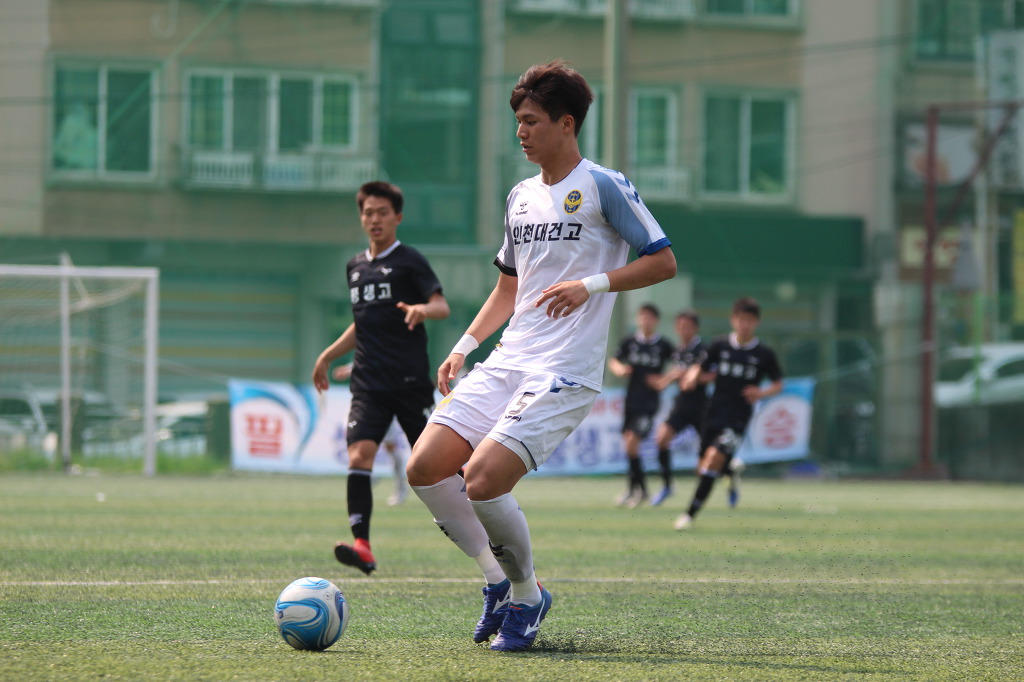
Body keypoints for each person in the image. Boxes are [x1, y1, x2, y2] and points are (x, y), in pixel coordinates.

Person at [405, 60, 676, 652]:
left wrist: (592, 285)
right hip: (509, 359)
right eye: (518, 121)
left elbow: (663, 261)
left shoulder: (604, 185)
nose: (521, 132)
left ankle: (529, 598)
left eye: (531, 121)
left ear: (566, 123)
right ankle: (497, 581)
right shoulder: (520, 196)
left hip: (564, 371)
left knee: (482, 479)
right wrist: (464, 346)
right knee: (424, 467)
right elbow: (509, 287)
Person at [312, 180, 450, 574]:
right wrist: (327, 355)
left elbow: (441, 306)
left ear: (397, 217)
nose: (375, 219)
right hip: (368, 384)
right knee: (359, 455)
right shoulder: (355, 267)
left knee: (436, 468)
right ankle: (363, 545)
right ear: (361, 217)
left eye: (382, 213)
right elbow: (363, 324)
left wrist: (423, 310)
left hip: (408, 383)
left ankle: (484, 525)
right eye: (368, 212)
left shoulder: (410, 261)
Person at [674, 297, 783, 531]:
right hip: (713, 412)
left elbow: (778, 384)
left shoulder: (763, 353)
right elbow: (701, 366)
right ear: (733, 320)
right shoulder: (720, 345)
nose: (744, 325)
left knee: (713, 459)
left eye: (749, 320)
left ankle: (689, 514)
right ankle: (730, 472)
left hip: (738, 417)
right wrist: (692, 376)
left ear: (756, 322)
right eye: (741, 319)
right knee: (702, 466)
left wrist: (760, 392)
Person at [608, 304, 674, 508]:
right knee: (629, 445)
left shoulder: (663, 345)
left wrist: (664, 380)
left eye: (650, 317)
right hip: (631, 400)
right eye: (642, 316)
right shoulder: (630, 342)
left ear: (656, 321)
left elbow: (679, 365)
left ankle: (642, 491)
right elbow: (614, 360)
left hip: (649, 403)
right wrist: (619, 369)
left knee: (632, 442)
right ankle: (633, 489)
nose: (646, 320)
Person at [649, 309, 707, 507]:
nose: (684, 330)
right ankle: (667, 485)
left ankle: (730, 476)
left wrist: (693, 377)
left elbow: (714, 375)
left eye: (688, 327)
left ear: (695, 328)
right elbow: (675, 373)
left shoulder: (703, 350)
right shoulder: (678, 351)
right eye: (681, 327)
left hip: (701, 406)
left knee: (709, 457)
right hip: (681, 405)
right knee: (661, 439)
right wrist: (664, 381)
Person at [332, 363, 411, 506]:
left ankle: (401, 487)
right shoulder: (369, 355)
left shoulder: (392, 357)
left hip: (384, 405)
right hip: (362, 405)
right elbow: (365, 360)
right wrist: (349, 369)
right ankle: (367, 475)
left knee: (390, 447)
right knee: (353, 438)